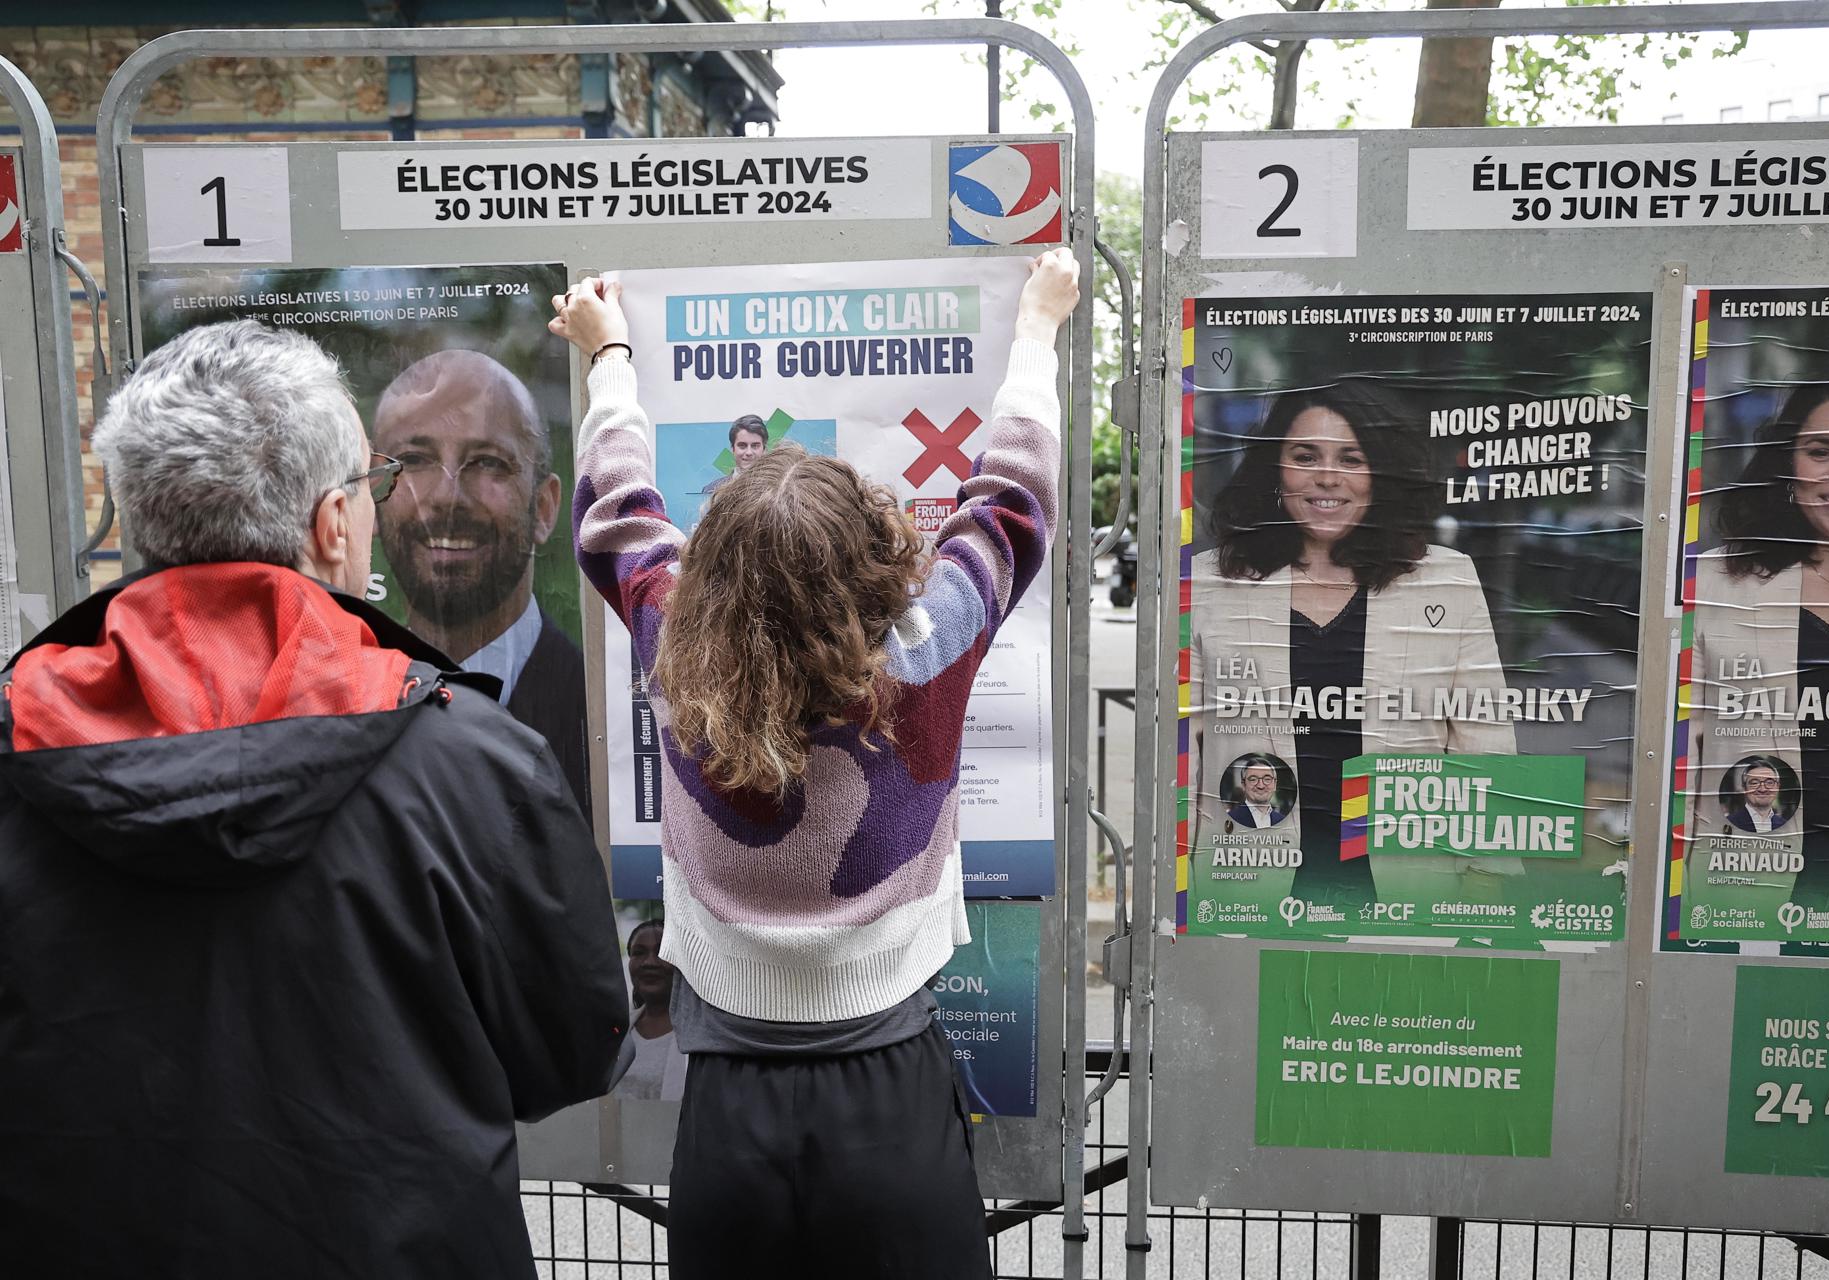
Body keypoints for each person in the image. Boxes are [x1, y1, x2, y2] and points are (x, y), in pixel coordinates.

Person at [0, 320, 629, 1277]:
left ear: (136, 520)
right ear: (333, 525)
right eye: (379, 486)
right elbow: (571, 1053)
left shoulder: (17, 753)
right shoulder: (475, 764)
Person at [554, 247, 1077, 1280]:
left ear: (710, 572)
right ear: (874, 556)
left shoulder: (673, 637)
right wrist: (1037, 332)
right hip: (894, 1089)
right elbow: (1012, 496)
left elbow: (615, 506)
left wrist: (608, 354)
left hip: (728, 1105)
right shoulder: (931, 650)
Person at [1191, 379, 1514, 909]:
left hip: (1408, 887)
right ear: (1275, 468)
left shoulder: (1448, 579)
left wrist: (1485, 881)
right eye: (1305, 456)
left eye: (1352, 459)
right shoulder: (1209, 583)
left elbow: (1484, 739)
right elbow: (1184, 751)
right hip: (1248, 888)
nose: (1327, 478)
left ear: (1380, 474)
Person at [1690, 379, 1829, 914]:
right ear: (1788, 465)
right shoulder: (1713, 583)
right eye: (1820, 452)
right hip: (1745, 893)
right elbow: (1678, 751)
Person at [372, 349, 590, 811]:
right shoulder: (347, 710)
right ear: (373, 495)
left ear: (546, 508)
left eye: (488, 463)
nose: (448, 498)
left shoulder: (599, 712)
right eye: (413, 460)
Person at [612, 919, 688, 1102]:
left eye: (662, 952)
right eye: (639, 953)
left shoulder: (702, 1035)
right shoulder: (614, 1033)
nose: (649, 962)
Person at [700, 413, 770, 495]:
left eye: (755, 446)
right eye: (742, 446)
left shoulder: (778, 489)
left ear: (764, 449)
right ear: (733, 449)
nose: (749, 452)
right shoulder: (712, 490)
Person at [1723, 758, 1792, 834]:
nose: (1762, 789)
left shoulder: (1787, 828)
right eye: (1754, 783)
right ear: (1744, 788)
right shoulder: (1729, 824)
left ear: (1777, 787)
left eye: (1769, 782)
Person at [1225, 758, 1293, 830]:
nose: (1261, 786)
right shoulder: (1230, 819)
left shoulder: (1284, 822)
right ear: (1243, 785)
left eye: (1267, 779)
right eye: (1253, 779)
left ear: (1275, 784)